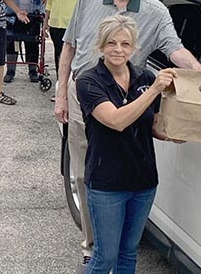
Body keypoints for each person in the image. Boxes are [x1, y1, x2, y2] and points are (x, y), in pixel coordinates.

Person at [53, 0, 201, 272]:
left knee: (121, 168)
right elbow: (69, 44)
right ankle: (93, 247)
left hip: (129, 94)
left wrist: (199, 72)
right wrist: (60, 92)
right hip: (86, 88)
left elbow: (174, 48)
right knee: (86, 173)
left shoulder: (155, 11)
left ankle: (108, 245)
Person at [76, 15, 181, 274]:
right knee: (105, 257)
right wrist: (155, 90)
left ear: (134, 48)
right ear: (100, 46)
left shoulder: (144, 76)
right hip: (107, 183)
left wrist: (175, 132)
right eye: (111, 43)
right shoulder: (89, 81)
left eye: (125, 44)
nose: (118, 50)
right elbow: (116, 120)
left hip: (143, 180)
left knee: (128, 253)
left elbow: (153, 124)